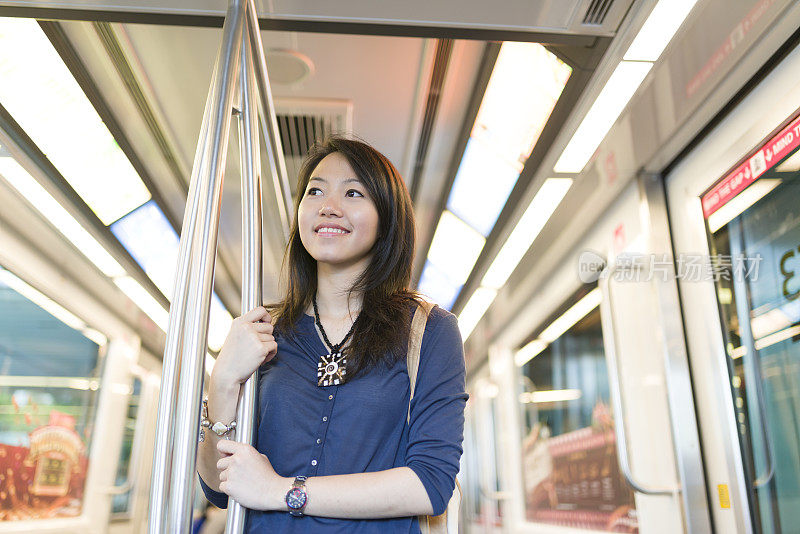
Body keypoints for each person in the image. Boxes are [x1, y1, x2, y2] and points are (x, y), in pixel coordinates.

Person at [196, 135, 468, 533]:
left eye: (353, 192)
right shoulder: (262, 329)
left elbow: (430, 485)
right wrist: (222, 382)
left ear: (387, 217)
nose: (329, 206)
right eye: (315, 191)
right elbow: (218, 489)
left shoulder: (428, 330)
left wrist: (281, 490)